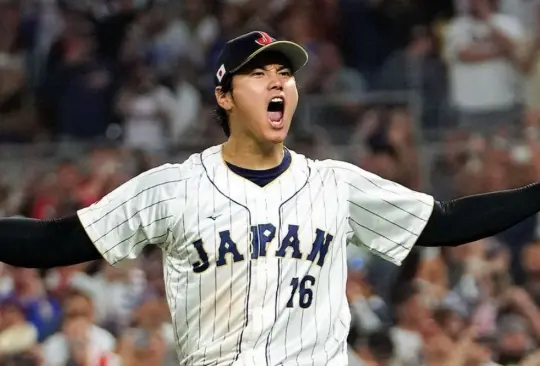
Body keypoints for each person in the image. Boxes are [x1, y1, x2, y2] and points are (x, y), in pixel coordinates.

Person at [1, 31, 540, 365]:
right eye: (257, 74)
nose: (277, 82)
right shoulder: (173, 187)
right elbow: (55, 241)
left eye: (284, 73)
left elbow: (442, 222)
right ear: (223, 96)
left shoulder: (335, 183)